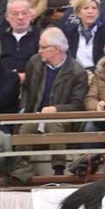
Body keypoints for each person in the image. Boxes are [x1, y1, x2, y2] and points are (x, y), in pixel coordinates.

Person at [14, 27, 88, 178]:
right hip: (36, 113)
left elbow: (78, 104)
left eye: (43, 47)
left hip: (63, 118)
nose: (39, 50)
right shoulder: (35, 63)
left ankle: (58, 169)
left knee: (54, 123)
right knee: (27, 126)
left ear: (55, 49)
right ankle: (20, 169)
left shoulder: (77, 71)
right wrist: (24, 108)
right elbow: (27, 88)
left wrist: (56, 109)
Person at [62, 0, 105, 70]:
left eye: (94, 8)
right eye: (86, 8)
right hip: (75, 74)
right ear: (78, 13)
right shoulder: (69, 33)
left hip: (98, 73)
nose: (90, 11)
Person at [0, 0, 40, 82]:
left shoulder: (40, 36)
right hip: (3, 82)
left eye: (24, 13)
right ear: (7, 16)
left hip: (32, 83)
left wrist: (26, 76)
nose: (20, 17)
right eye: (15, 14)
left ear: (30, 15)